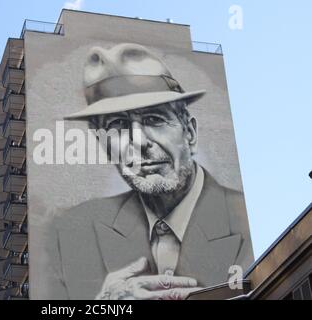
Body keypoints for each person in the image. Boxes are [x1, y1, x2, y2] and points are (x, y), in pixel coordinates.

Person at [41, 43, 253, 300]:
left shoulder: (240, 218)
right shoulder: (70, 235)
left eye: (155, 119)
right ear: (105, 146)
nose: (139, 141)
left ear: (191, 133)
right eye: (118, 125)